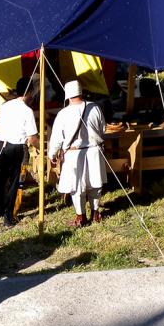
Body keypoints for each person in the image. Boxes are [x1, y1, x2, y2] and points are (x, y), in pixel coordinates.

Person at [48, 80, 108, 227]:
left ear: (67, 95)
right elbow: (103, 128)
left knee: (77, 187)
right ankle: (95, 213)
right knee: (95, 184)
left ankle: (81, 217)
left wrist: (52, 154)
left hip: (74, 154)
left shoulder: (63, 113)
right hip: (94, 150)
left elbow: (56, 138)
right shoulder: (95, 108)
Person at [0, 78, 38, 226]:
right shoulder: (27, 111)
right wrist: (42, 148)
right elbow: (32, 138)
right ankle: (8, 216)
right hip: (15, 148)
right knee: (14, 182)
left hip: (1, 144)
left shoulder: (5, 106)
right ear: (29, 92)